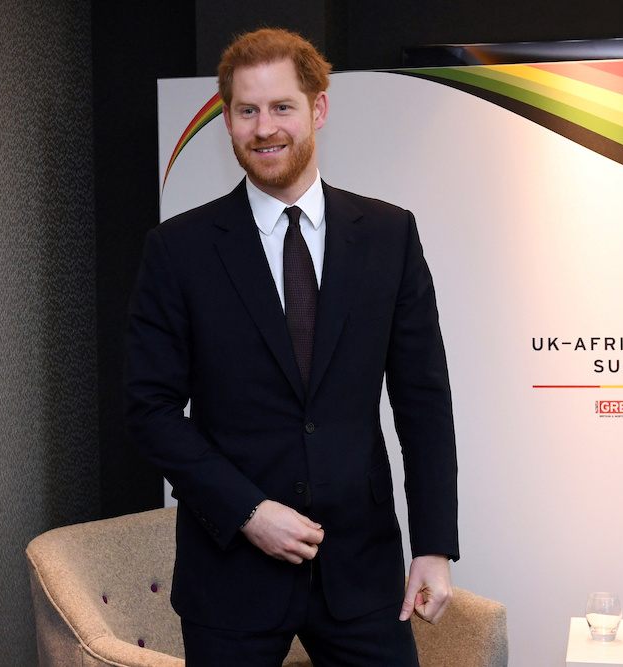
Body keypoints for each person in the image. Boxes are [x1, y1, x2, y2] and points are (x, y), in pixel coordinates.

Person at [123, 27, 458, 666]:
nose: (264, 127)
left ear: (318, 109)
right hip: (231, 576)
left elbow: (423, 403)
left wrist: (433, 547)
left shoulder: (390, 235)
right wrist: (247, 511)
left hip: (360, 575)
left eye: (282, 107)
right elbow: (150, 411)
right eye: (246, 110)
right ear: (227, 120)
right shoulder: (178, 251)